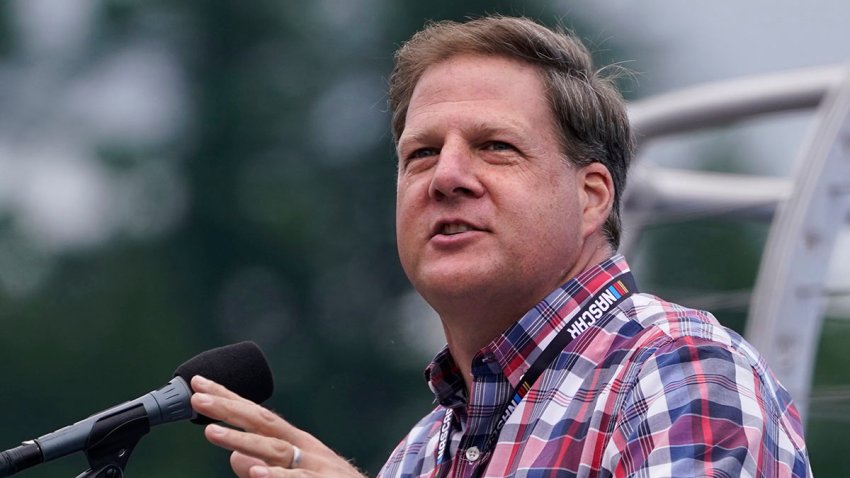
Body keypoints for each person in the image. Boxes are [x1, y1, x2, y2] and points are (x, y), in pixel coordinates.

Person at [189, 15, 812, 478]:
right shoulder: (418, 453)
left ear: (593, 196)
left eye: (496, 147)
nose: (446, 176)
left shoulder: (681, 369)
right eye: (421, 153)